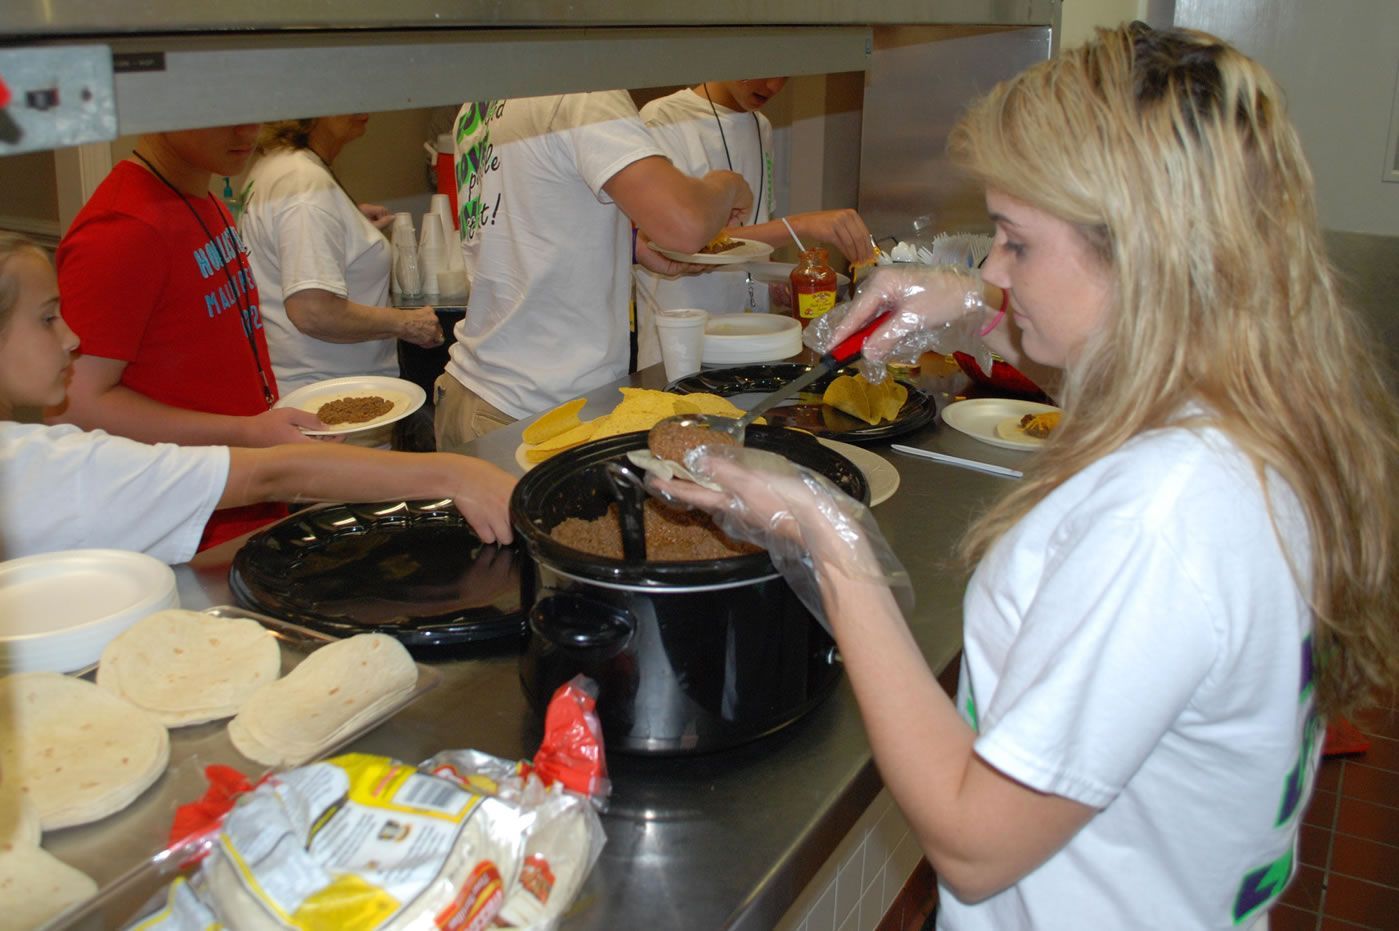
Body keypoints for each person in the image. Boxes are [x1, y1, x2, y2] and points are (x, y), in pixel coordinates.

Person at [653, 23, 1398, 929]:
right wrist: (967, 306)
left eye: (1013, 241)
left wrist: (824, 535)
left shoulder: (1164, 517)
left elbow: (973, 843)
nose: (995, 269)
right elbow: (1110, 345)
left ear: (1143, 252)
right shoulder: (1246, 403)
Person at [0, 233, 514, 564]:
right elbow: (269, 473)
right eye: (47, 318)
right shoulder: (44, 467)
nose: (71, 337)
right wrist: (452, 473)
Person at [51, 124, 321, 549]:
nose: (247, 129)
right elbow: (73, 407)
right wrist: (248, 432)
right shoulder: (122, 228)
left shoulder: (202, 196)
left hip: (239, 505)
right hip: (181, 529)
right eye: (221, 111)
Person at [439, 92, 752, 448]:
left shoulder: (482, 98)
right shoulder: (585, 89)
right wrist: (727, 186)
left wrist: (628, 246)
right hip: (539, 415)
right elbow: (685, 225)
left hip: (473, 393)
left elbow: (525, 216)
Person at [634, 78, 879, 366]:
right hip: (682, 351)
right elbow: (679, 239)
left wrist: (771, 276)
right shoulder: (663, 119)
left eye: (785, 74)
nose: (773, 86)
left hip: (754, 342)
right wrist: (798, 225)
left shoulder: (761, 126)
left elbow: (752, 232)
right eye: (765, 69)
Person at [238, 116, 443, 402]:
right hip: (331, 400)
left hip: (303, 388)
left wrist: (347, 228)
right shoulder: (305, 185)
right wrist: (405, 322)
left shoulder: (277, 165)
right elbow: (314, 311)